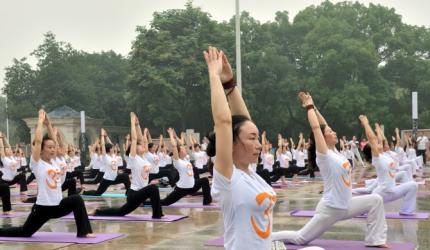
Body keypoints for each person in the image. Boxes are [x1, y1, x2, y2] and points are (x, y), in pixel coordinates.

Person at [272, 92, 388, 248]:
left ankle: (375, 240)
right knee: (300, 238)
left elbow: (323, 124)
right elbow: (316, 127)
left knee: (376, 200)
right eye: (330, 133)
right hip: (331, 209)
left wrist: (315, 107)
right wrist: (309, 107)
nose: (334, 132)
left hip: (346, 205)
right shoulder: (325, 155)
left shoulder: (336, 152)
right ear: (323, 139)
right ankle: (265, 237)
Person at [0, 110, 94, 238]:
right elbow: (38, 141)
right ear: (42, 150)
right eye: (49, 147)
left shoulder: (55, 162)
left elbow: (55, 142)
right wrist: (40, 122)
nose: (53, 149)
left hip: (58, 206)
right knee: (24, 232)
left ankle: (84, 232)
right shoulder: (37, 163)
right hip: (43, 208)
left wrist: (49, 124)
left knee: (76, 199)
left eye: (53, 147)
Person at [92, 113, 163, 219]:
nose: (143, 145)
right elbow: (134, 139)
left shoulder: (143, 157)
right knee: (153, 188)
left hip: (140, 193)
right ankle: (157, 214)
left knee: (121, 212)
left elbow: (140, 139)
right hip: (133, 194)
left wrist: (138, 125)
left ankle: (97, 212)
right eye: (139, 146)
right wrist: (132, 122)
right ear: (134, 149)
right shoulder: (133, 158)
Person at [361, 120, 418, 215]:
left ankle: (406, 211)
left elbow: (379, 139)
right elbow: (372, 138)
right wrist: (366, 124)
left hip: (392, 191)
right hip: (381, 193)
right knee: (363, 211)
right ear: (373, 150)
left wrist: (378, 129)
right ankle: (360, 206)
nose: (380, 144)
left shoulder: (384, 155)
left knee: (413, 185)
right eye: (376, 144)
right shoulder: (377, 159)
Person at [159, 128, 212, 206]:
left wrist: (177, 136)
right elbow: (174, 146)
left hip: (192, 186)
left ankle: (207, 202)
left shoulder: (186, 158)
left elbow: (182, 144)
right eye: (183, 149)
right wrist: (170, 135)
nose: (185, 149)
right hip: (182, 189)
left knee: (204, 180)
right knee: (164, 203)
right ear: (179, 152)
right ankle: (145, 202)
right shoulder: (177, 161)